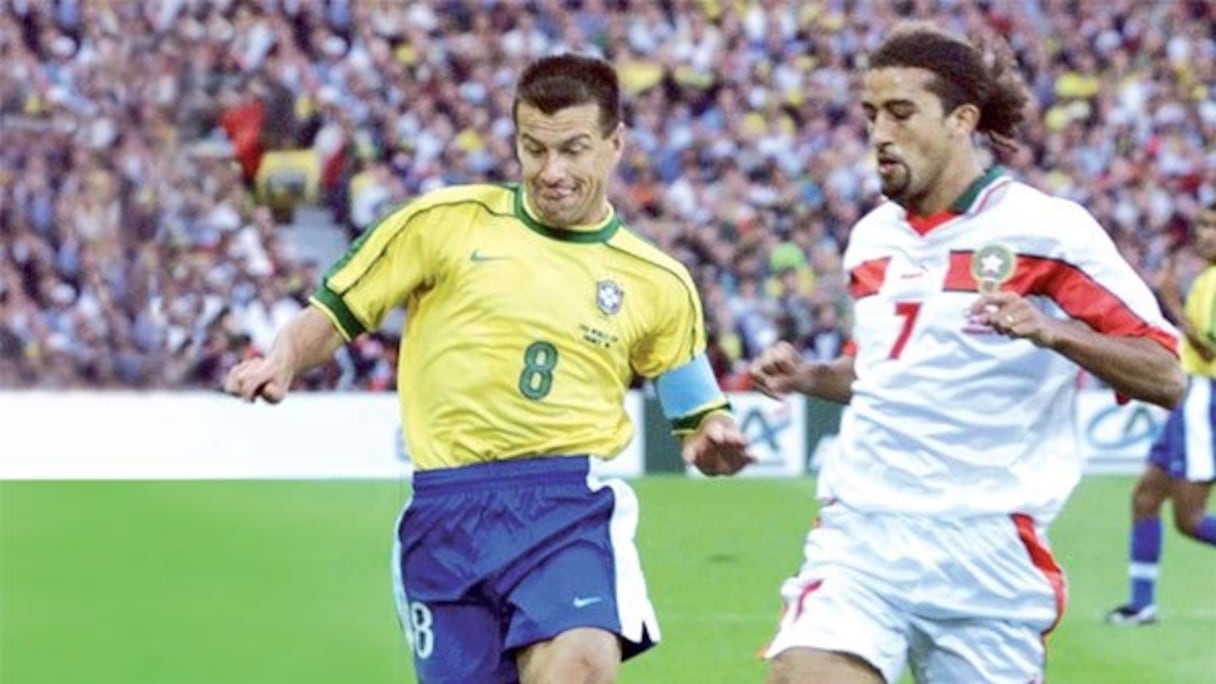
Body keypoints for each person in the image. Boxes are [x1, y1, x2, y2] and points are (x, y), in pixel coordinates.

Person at [224, 53, 754, 684]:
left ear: (615, 145)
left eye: (573, 150)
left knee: (583, 664)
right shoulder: (442, 223)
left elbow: (697, 411)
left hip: (567, 508)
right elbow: (337, 310)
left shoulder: (657, 280)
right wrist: (284, 358)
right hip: (445, 515)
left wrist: (712, 437)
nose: (552, 172)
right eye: (534, 149)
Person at [748, 22, 1185, 684]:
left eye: (901, 113)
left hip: (987, 553)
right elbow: (882, 373)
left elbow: (1166, 374)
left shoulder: (1048, 230)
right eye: (871, 114)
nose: (879, 134)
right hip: (863, 535)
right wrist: (810, 375)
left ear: (962, 120)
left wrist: (1053, 331)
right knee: (801, 673)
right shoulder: (872, 239)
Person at [1107, 203, 1216, 626]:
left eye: (1212, 227)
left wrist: (1170, 301)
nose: (1203, 234)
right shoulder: (1205, 279)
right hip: (1190, 397)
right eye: (1202, 225)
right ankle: (1142, 603)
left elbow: (1210, 350)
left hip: (1205, 399)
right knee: (1145, 497)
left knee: (1190, 519)